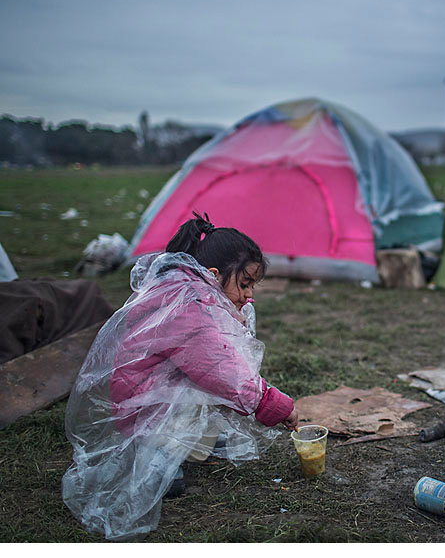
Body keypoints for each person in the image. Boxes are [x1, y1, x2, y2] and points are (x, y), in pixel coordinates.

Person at [62, 212, 298, 540]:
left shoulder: (184, 291)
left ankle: (189, 439)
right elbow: (223, 372)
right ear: (214, 276)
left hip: (148, 392)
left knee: (211, 390)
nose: (249, 295)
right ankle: (158, 457)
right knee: (215, 389)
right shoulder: (187, 309)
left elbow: (220, 360)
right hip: (143, 407)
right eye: (244, 284)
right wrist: (275, 405)